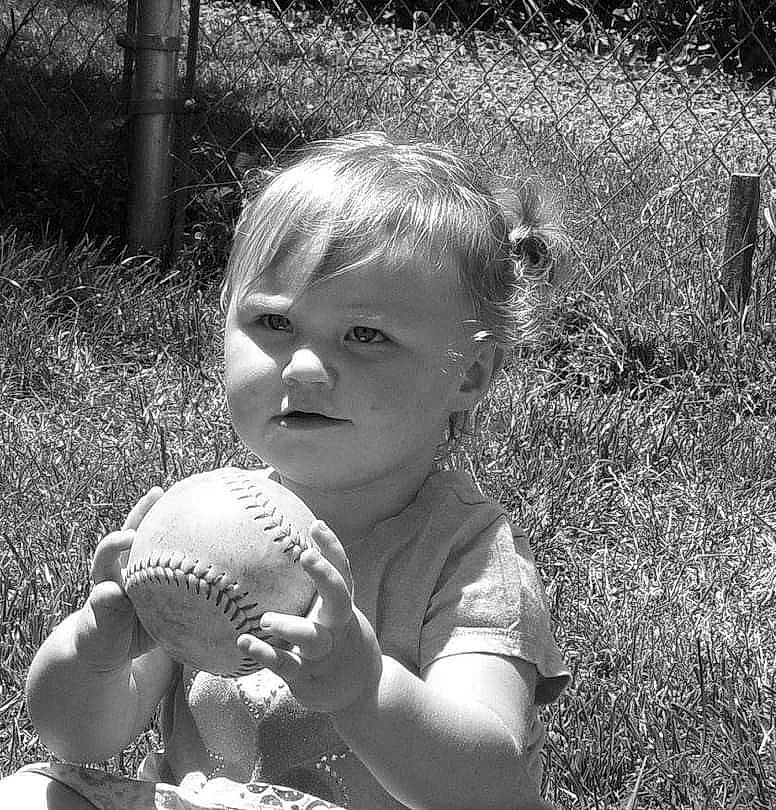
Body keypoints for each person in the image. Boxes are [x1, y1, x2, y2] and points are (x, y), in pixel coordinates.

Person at [1, 131, 570, 810]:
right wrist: (96, 651)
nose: (303, 367)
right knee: (29, 795)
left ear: (469, 374)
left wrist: (364, 691)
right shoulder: (200, 532)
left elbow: (490, 789)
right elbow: (76, 739)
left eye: (366, 335)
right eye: (273, 322)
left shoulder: (469, 560)